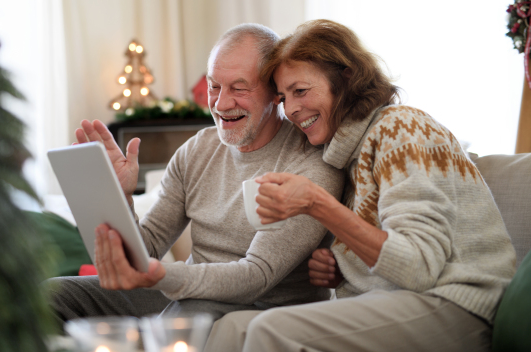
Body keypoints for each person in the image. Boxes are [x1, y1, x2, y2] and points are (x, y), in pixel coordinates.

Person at [205, 19, 516, 352]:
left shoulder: (402, 128)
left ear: (346, 79)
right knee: (232, 328)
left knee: (271, 329)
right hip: (405, 300)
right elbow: (386, 251)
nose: (291, 109)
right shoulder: (344, 155)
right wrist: (343, 269)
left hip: (461, 305)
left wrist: (317, 204)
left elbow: (419, 268)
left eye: (301, 91)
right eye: (283, 98)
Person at [46, 23, 344, 327]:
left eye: (239, 88)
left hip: (262, 308)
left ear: (274, 93)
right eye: (215, 86)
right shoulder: (198, 149)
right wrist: (119, 198)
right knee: (51, 295)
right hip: (190, 294)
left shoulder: (310, 165)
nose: (221, 103)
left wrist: (161, 275)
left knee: (180, 320)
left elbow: (256, 276)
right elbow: (145, 249)